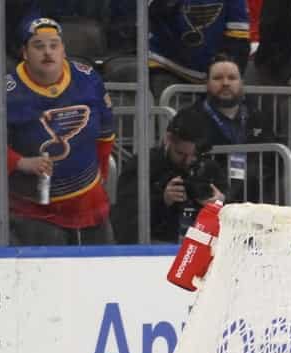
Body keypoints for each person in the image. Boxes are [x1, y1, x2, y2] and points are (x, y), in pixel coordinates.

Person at [0, 17, 115, 245]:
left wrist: (101, 176)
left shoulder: (88, 79)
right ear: (25, 52)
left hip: (91, 206)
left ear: (63, 49)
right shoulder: (4, 93)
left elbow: (106, 132)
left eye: (54, 45)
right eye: (39, 46)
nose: (48, 52)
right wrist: (21, 162)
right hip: (33, 213)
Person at [112, 107, 226, 244]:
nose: (188, 161)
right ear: (168, 139)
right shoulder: (143, 166)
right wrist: (163, 200)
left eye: (194, 155)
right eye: (181, 154)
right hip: (153, 246)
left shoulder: (208, 167)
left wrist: (221, 205)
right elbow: (124, 223)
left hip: (203, 245)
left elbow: (235, 213)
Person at [178, 54, 277, 204]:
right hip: (206, 207)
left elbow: (271, 165)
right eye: (217, 78)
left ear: (241, 83)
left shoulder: (258, 117)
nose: (225, 83)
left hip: (253, 206)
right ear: (207, 83)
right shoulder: (188, 118)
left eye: (232, 78)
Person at [148, 0, 251, 99]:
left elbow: (238, 40)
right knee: (169, 113)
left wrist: (225, 72)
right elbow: (154, 12)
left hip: (214, 72)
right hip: (168, 65)